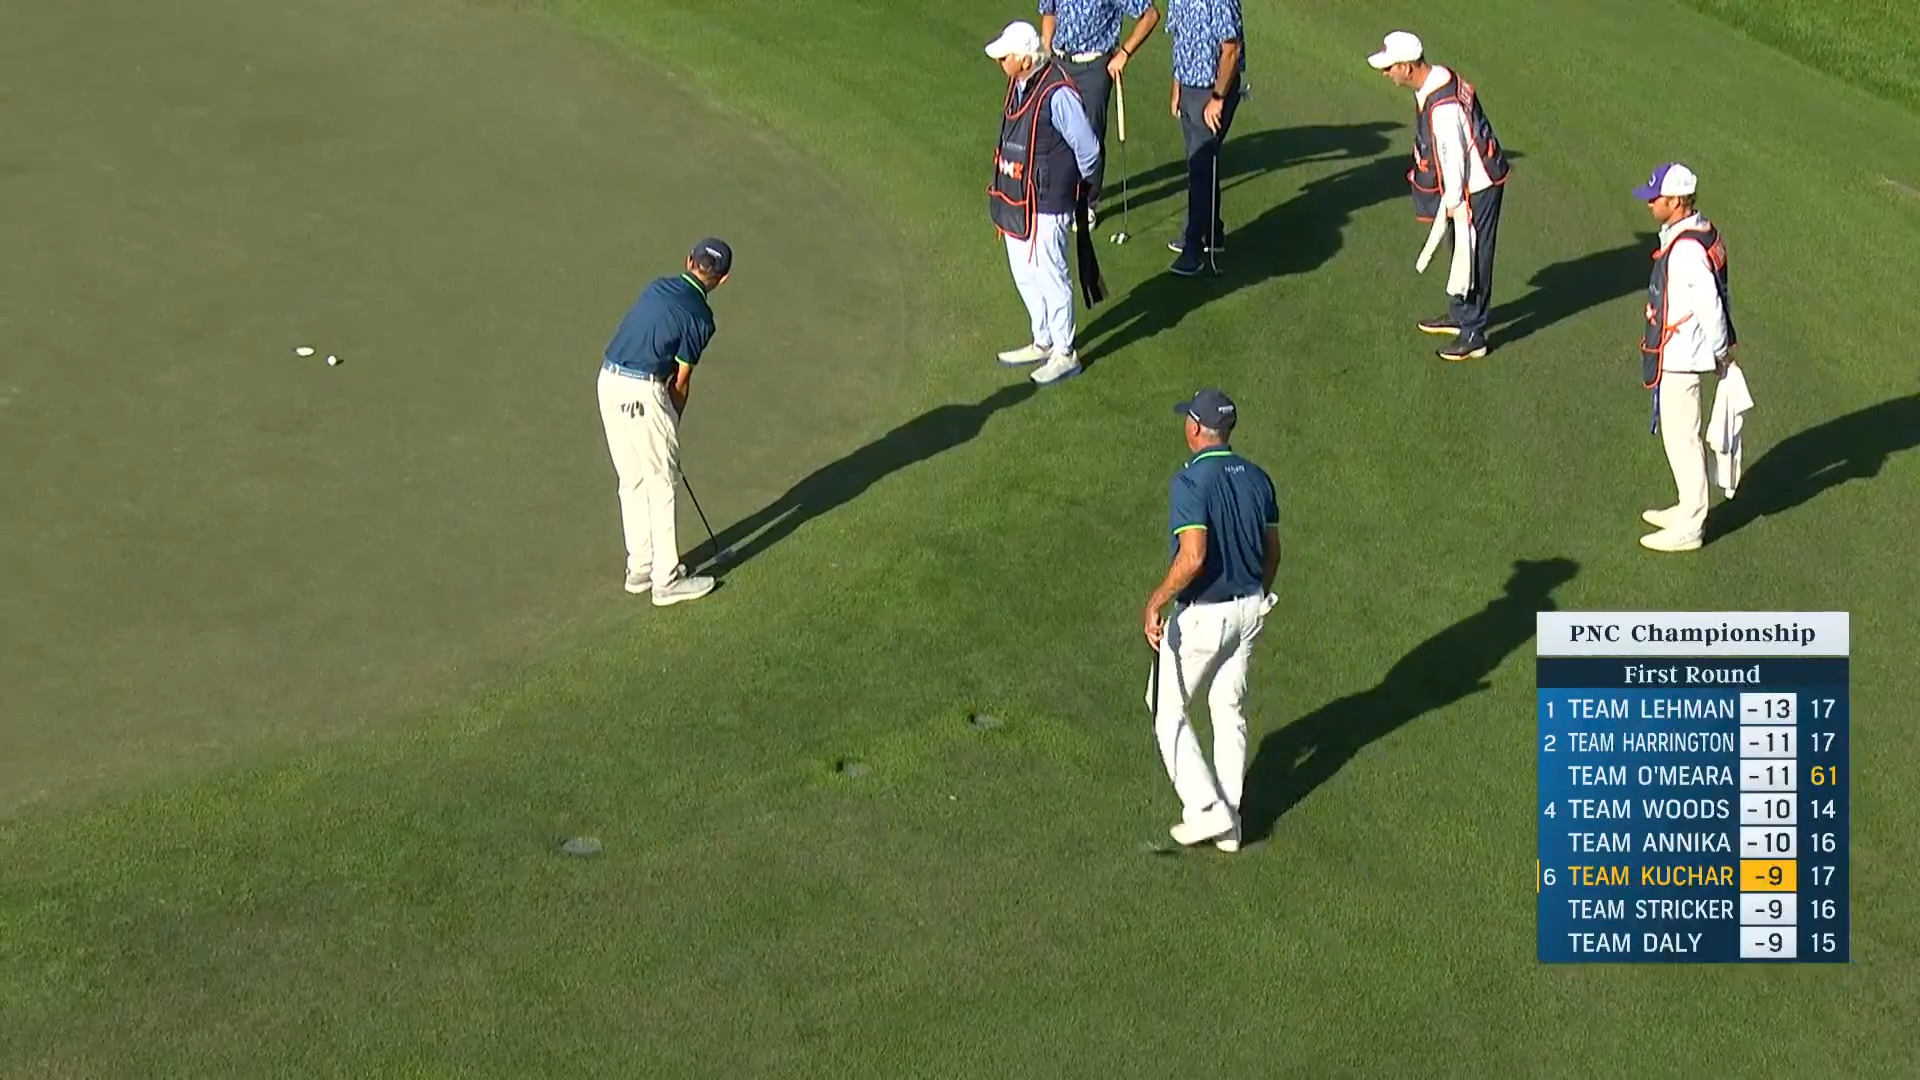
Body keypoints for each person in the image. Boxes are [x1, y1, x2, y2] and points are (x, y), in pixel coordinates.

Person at [1142, 389, 1280, 852]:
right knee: (1228, 710)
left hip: (1205, 617)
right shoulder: (1259, 478)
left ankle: (1206, 808)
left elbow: (1193, 555)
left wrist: (1156, 600)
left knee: (1167, 712)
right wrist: (1256, 594)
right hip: (1250, 610)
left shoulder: (1189, 482)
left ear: (1197, 429)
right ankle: (1231, 824)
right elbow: (1273, 550)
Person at [596, 239, 731, 606]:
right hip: (643, 392)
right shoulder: (701, 319)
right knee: (662, 482)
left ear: (689, 261)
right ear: (722, 280)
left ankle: (640, 567)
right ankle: (666, 580)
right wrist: (671, 422)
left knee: (632, 479)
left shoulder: (656, 286)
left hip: (607, 381)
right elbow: (681, 381)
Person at [1369, 31, 1509, 361]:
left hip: (1476, 187)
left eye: (1389, 67)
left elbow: (1453, 157)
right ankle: (1462, 314)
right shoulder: (1440, 76)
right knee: (1462, 251)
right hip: (1474, 180)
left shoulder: (1441, 108)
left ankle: (1474, 334)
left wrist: (1456, 203)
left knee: (1474, 255)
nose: (1385, 73)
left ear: (1406, 67)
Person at [988, 20, 1104, 386]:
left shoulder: (1058, 93)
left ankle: (1065, 352)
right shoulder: (1018, 83)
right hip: (1016, 196)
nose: (999, 62)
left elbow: (1088, 149)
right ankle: (1043, 340)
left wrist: (1081, 189)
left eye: (1005, 57)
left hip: (1048, 200)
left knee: (1051, 274)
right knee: (1024, 271)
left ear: (1024, 60)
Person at [1634, 162, 1737, 553]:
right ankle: (1686, 505)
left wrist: (1720, 351)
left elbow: (1709, 303)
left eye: (1656, 198)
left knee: (1683, 439)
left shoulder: (1686, 250)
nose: (1649, 204)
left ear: (1676, 202)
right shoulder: (1691, 233)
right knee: (1680, 438)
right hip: (1683, 352)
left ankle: (1692, 524)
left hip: (1683, 355)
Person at [1037, 0, 1162, 231]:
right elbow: (1049, 12)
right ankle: (1058, 195)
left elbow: (1150, 14)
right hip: (1058, 63)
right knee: (1054, 133)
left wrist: (1124, 53)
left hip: (1093, 68)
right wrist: (1045, 53)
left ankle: (1087, 203)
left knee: (1089, 136)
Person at [1163, 0, 1244, 275]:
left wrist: (1218, 98)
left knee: (1200, 168)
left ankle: (1193, 248)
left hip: (1212, 93)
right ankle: (1212, 232)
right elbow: (1179, 39)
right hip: (1188, 89)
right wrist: (1177, 88)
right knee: (1200, 163)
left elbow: (1231, 50)